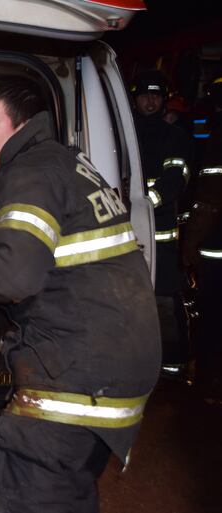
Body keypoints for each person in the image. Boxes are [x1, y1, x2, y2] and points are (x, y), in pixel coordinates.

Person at [0, 76, 160, 513]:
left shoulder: (28, 171)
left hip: (76, 376)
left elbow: (11, 275)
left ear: (20, 126)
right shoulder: (63, 161)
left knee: (24, 497)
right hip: (111, 366)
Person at [132, 70, 193, 372]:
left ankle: (172, 361)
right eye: (145, 94)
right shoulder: (125, 131)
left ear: (164, 99)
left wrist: (146, 204)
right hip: (127, 230)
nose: (151, 100)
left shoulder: (174, 135)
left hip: (162, 233)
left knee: (165, 296)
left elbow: (176, 177)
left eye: (156, 95)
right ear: (136, 98)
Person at [181, 75, 222, 403]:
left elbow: (207, 200)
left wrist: (190, 246)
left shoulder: (217, 138)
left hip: (215, 249)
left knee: (210, 318)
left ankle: (207, 380)